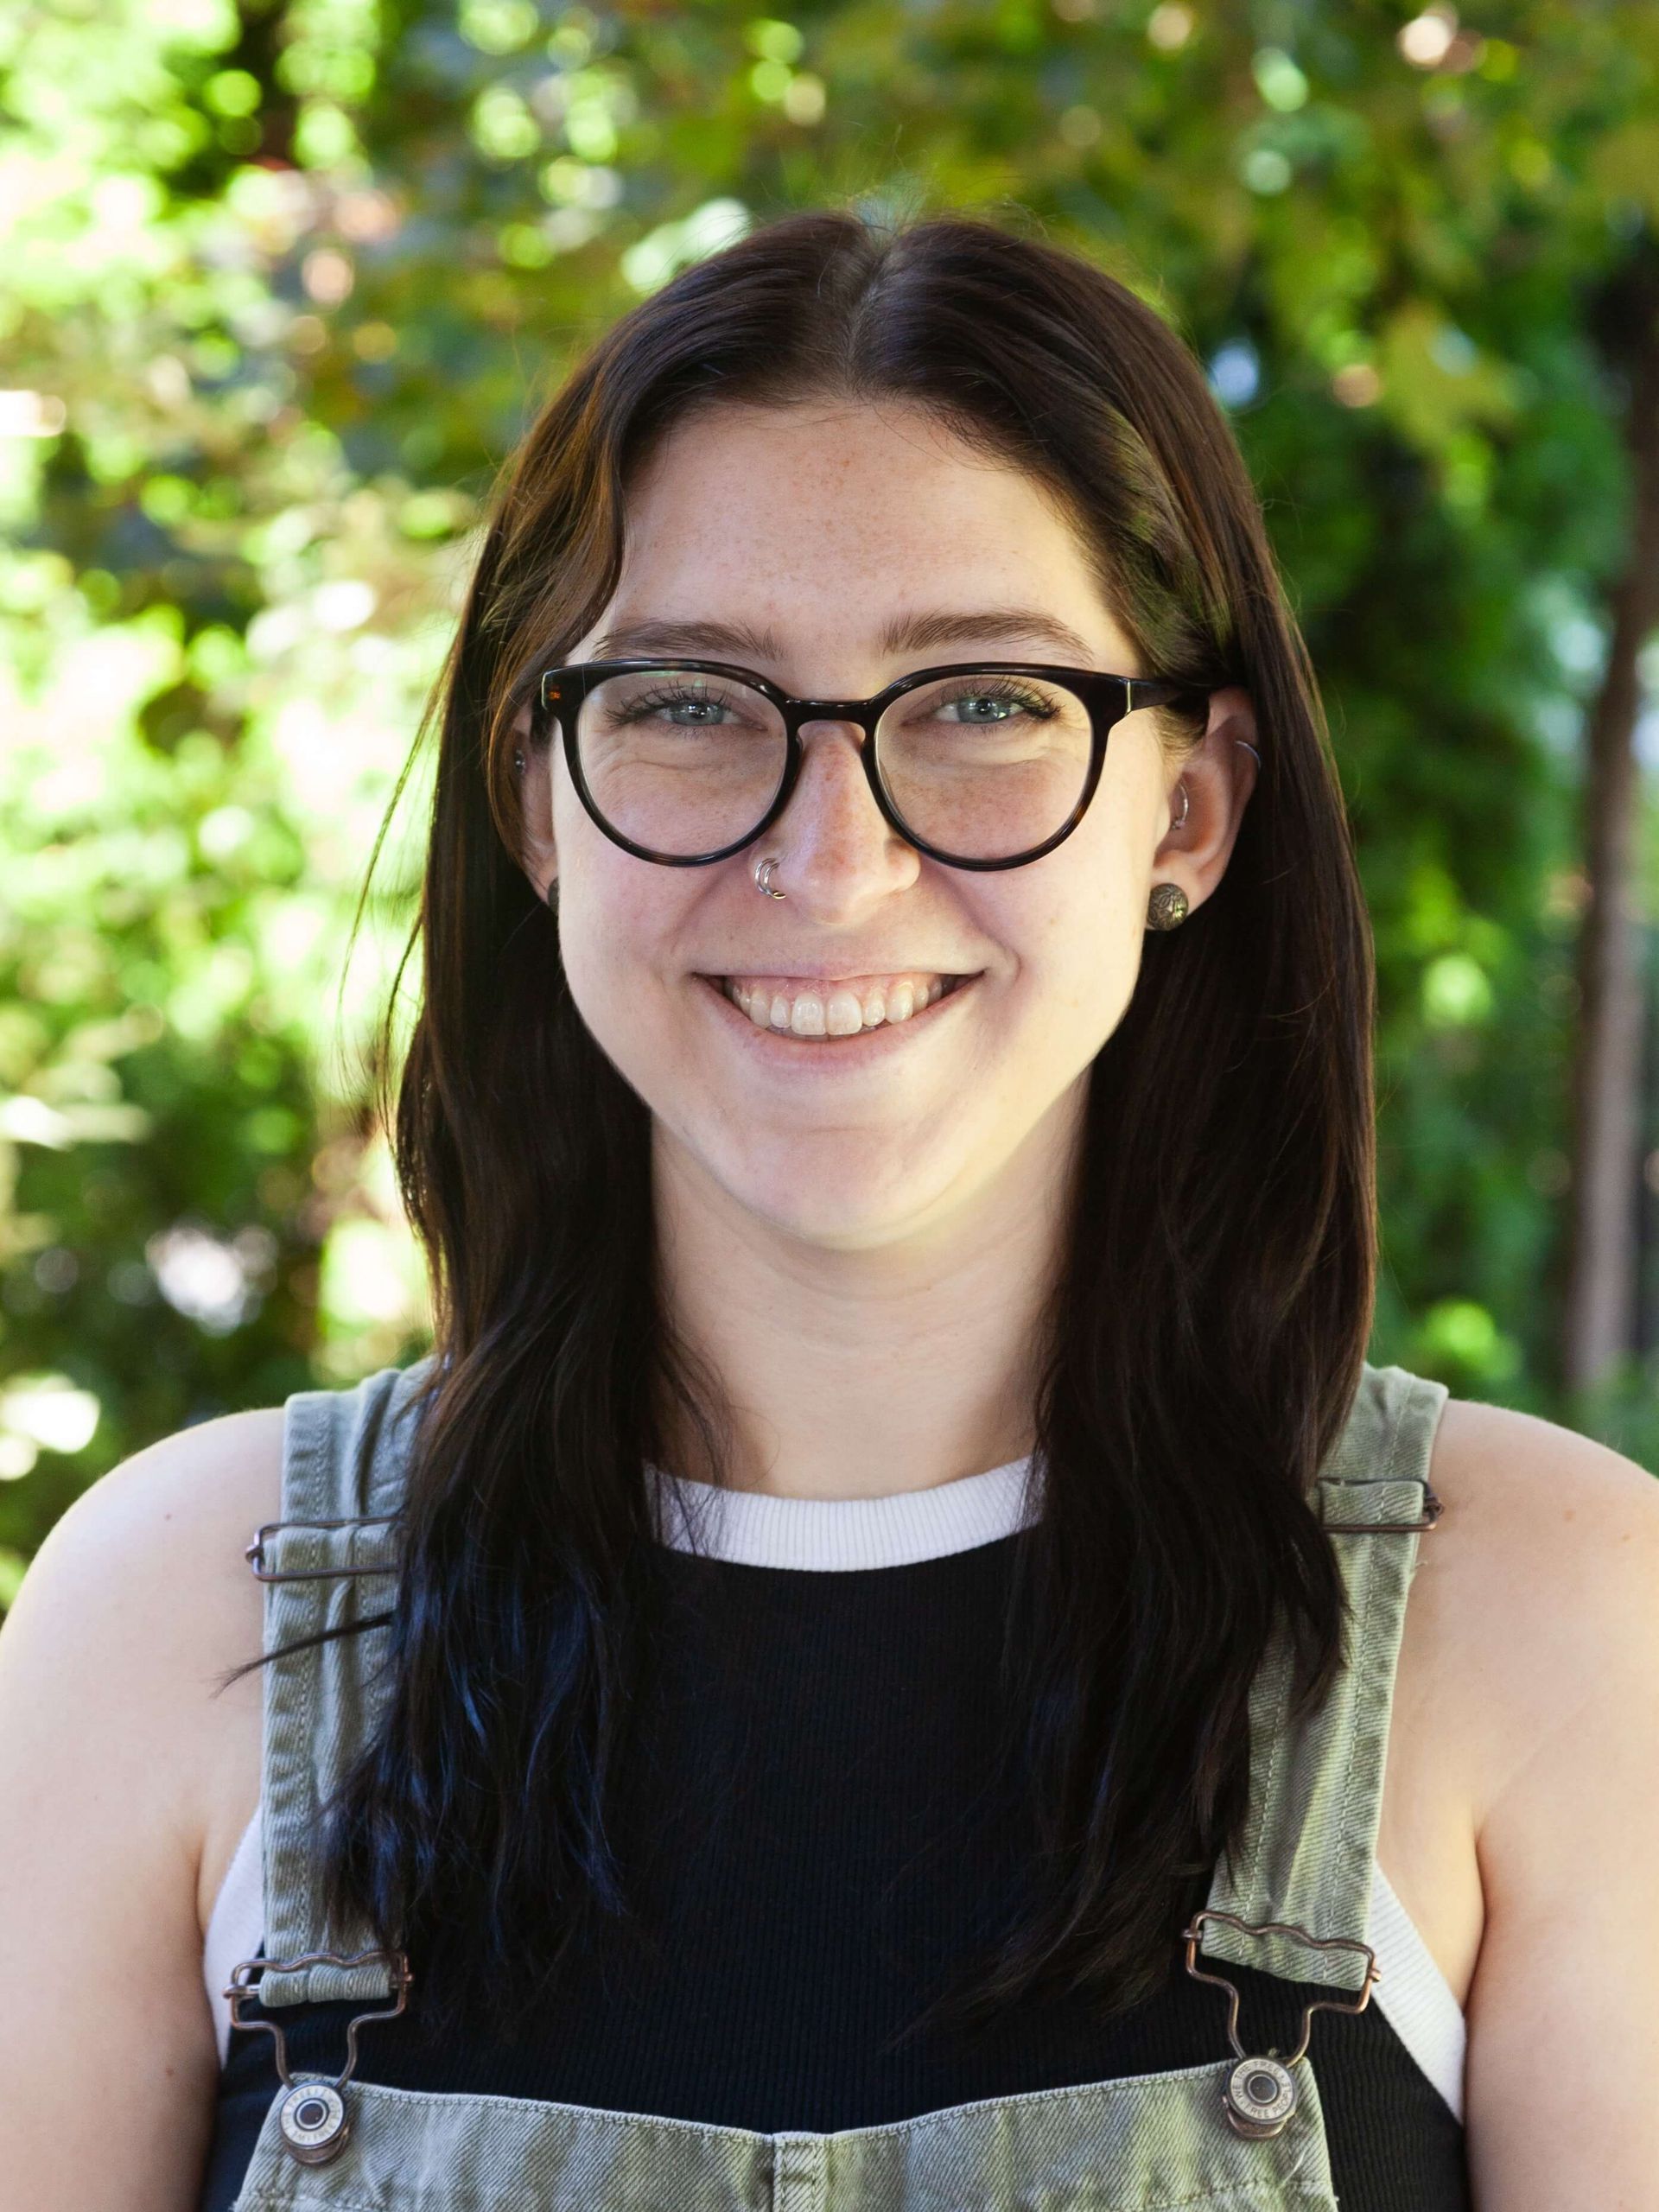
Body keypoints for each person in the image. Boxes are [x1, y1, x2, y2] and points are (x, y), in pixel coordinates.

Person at [2, 205, 1656, 2212]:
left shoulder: (1562, 1623)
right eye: (693, 701)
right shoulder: (173, 1619)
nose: (832, 855)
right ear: (540, 799)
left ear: (1190, 812)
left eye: (983, 702)